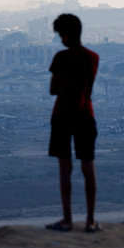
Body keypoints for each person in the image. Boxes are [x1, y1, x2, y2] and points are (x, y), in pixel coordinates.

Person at [45, 14, 100, 233]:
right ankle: (90, 220)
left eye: (60, 34)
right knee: (88, 168)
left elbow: (53, 89)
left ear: (67, 34)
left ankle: (67, 220)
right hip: (85, 115)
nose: (60, 39)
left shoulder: (60, 58)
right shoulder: (92, 58)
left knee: (64, 169)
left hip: (61, 116)